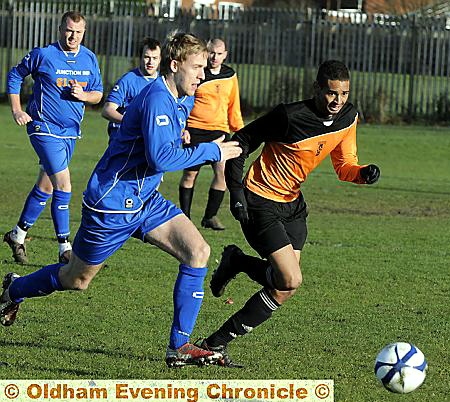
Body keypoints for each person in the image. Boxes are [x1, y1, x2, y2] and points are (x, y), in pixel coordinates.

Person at [0, 32, 242, 368]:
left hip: (144, 198)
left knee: (198, 251)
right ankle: (15, 289)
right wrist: (211, 149)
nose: (203, 74)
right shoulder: (157, 97)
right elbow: (161, 158)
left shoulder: (181, 99)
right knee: (77, 279)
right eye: (197, 67)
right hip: (112, 203)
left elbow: (163, 146)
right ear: (175, 66)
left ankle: (179, 346)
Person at [197, 60, 381, 367]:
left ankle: (235, 267)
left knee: (283, 285)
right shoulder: (289, 116)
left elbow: (344, 165)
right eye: (331, 93)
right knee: (290, 279)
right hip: (260, 199)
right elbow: (240, 142)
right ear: (317, 89)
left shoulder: (348, 117)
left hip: (293, 205)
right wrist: (237, 193)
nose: (337, 101)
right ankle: (213, 343)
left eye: (344, 94)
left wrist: (362, 174)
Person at [3, 11, 103, 264]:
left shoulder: (89, 58)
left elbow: (98, 94)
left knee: (46, 186)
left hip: (70, 133)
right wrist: (17, 109)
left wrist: (84, 95)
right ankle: (64, 247)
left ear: (84, 32)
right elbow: (15, 75)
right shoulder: (44, 54)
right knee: (64, 185)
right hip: (43, 127)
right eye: (69, 30)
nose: (73, 36)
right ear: (61, 29)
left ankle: (18, 234)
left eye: (78, 32)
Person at [178, 38, 244, 230]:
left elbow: (234, 104)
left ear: (225, 55)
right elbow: (184, 101)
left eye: (219, 53)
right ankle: (185, 217)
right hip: (195, 130)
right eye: (211, 53)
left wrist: (239, 131)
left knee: (222, 172)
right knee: (190, 174)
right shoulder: (198, 74)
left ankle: (210, 216)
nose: (215, 57)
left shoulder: (230, 75)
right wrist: (183, 128)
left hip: (220, 129)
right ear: (206, 52)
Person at [102, 37, 161, 141]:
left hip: (148, 140)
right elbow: (107, 110)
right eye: (147, 57)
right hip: (123, 140)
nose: (150, 62)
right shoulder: (128, 80)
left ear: (160, 59)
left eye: (155, 58)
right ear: (140, 57)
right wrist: (129, 122)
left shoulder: (163, 82)